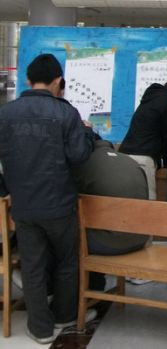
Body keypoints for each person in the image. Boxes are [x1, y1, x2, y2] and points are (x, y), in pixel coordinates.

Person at [0, 54, 95, 344]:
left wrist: (5, 189)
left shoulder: (6, 113)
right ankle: (64, 316)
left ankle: (40, 329)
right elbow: (78, 156)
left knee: (32, 265)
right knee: (67, 261)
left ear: (28, 80)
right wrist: (87, 134)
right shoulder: (66, 113)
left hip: (24, 205)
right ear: (57, 81)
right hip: (60, 204)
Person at [71, 139, 149, 291]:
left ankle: (85, 289)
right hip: (140, 239)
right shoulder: (132, 162)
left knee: (67, 237)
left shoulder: (85, 164)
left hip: (108, 244)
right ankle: (95, 287)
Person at [119, 78, 167, 200]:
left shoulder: (150, 98)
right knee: (148, 200)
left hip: (124, 154)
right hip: (144, 156)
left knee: (126, 198)